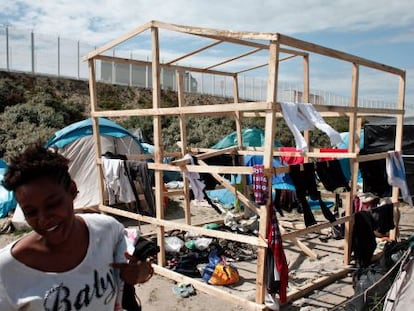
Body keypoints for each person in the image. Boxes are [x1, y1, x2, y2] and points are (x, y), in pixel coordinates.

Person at [0, 143, 153, 310]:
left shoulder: (107, 230)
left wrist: (140, 273)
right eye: (30, 212)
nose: (44, 220)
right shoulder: (7, 270)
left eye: (52, 204)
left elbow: (140, 272)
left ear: (72, 190)